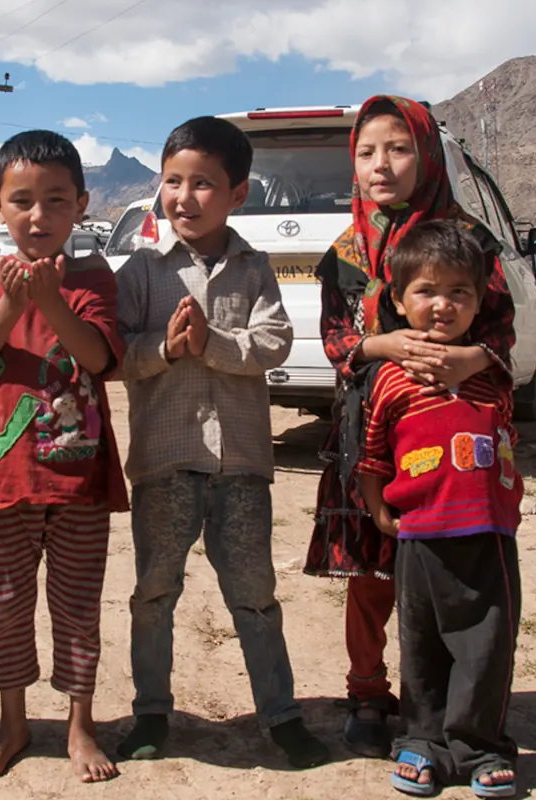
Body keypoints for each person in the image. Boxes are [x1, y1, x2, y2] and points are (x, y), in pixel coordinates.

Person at [301, 96, 515, 759]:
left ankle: (451, 706)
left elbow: (502, 331)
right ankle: (367, 694)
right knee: (371, 570)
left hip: (456, 438)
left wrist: (470, 357)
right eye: (366, 153)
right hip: (372, 427)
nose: (380, 165)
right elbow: (337, 341)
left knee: (458, 570)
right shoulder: (345, 252)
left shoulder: (470, 242)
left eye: (396, 149)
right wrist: (385, 347)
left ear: (425, 154)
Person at [115, 116, 330, 770]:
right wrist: (166, 348)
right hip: (164, 463)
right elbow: (116, 355)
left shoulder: (253, 268)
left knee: (255, 594)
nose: (184, 196)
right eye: (173, 181)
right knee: (154, 592)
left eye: (203, 183)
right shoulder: (142, 272)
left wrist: (214, 344)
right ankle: (151, 712)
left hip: (240, 466)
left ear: (237, 193)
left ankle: (282, 717)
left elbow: (274, 343)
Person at [0, 130, 129, 784]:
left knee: (78, 607)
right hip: (3, 478)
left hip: (79, 479)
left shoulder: (94, 276)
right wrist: (14, 302)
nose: (38, 215)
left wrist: (48, 299)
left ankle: (80, 724)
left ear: (81, 204)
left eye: (55, 200)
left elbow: (98, 358)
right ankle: (13, 723)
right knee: (7, 605)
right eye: (22, 200)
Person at [355, 220, 520, 798]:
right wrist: (379, 508)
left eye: (459, 292)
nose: (443, 305)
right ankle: (421, 742)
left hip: (488, 531)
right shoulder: (393, 380)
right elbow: (374, 451)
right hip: (420, 532)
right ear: (398, 301)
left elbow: (505, 442)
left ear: (479, 303)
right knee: (421, 641)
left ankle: (479, 748)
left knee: (487, 641)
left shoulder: (490, 376)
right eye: (427, 291)